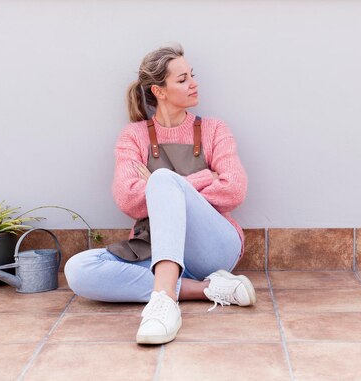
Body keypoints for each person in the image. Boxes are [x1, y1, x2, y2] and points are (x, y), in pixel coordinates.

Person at [64, 42, 256, 345]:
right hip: (153, 247)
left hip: (211, 247)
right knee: (78, 270)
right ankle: (207, 289)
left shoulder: (214, 129)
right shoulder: (134, 135)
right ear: (159, 91)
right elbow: (127, 199)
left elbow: (234, 189)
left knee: (163, 180)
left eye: (191, 75)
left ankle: (164, 303)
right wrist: (206, 176)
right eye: (182, 80)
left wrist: (163, 183)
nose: (194, 84)